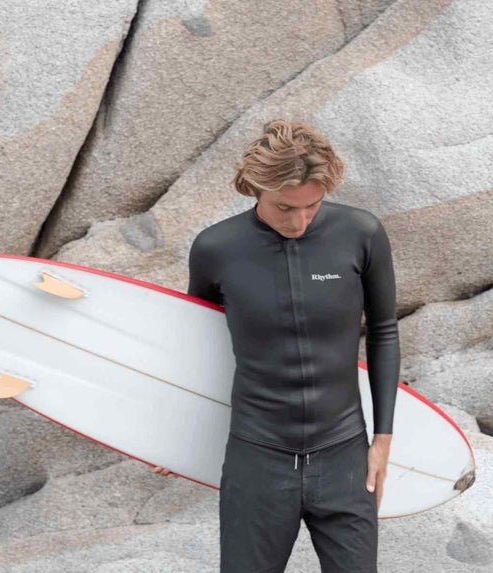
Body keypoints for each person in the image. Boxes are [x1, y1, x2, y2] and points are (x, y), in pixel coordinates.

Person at [153, 119, 400, 572]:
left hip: (344, 454)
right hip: (257, 459)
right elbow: (198, 346)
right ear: (255, 187)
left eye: (312, 206)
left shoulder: (361, 233)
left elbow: (384, 331)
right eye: (284, 207)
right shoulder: (216, 248)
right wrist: (179, 433)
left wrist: (382, 440)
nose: (299, 221)